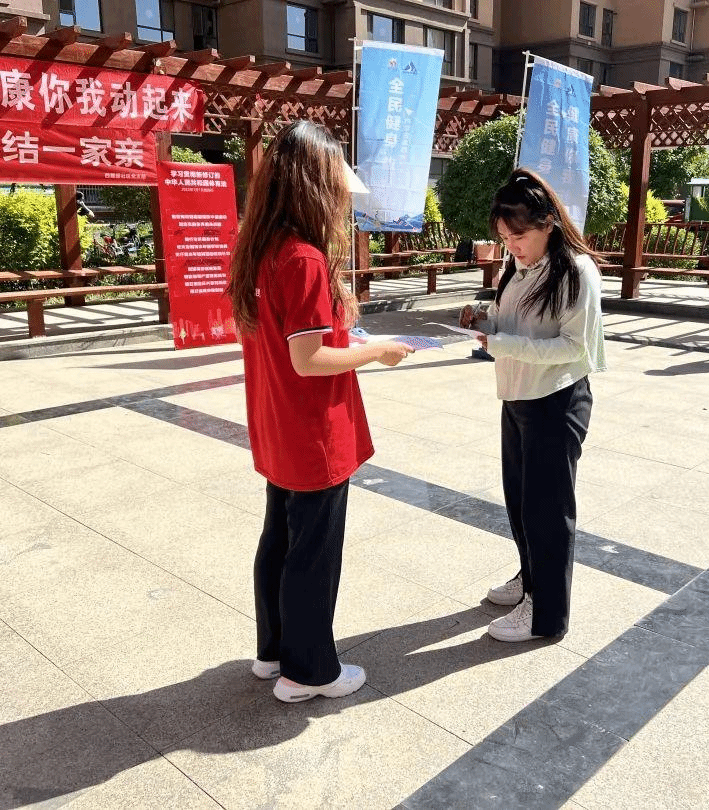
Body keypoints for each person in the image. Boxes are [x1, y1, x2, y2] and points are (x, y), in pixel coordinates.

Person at [227, 120, 414, 703]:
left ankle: (274, 652)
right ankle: (308, 673)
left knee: (280, 540)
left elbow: (288, 340)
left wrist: (343, 329)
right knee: (313, 552)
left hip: (277, 423)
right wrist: (377, 351)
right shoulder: (303, 258)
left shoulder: (260, 250)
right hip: (313, 432)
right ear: (315, 185)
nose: (342, 198)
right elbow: (308, 360)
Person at [460, 168, 606, 642]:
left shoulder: (576, 271)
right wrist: (484, 322)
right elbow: (513, 324)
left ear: (548, 223)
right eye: (504, 238)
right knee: (522, 502)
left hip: (556, 399)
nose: (512, 246)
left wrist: (503, 343)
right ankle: (530, 579)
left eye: (519, 236)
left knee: (548, 511)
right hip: (519, 396)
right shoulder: (519, 266)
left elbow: (574, 348)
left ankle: (545, 613)